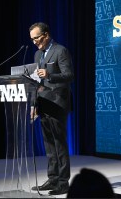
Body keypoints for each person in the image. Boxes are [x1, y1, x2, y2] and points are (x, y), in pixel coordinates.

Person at [29, 22, 74, 195]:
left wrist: (50, 75)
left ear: (46, 35)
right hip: (43, 103)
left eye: (37, 38)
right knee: (48, 145)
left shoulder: (60, 51)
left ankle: (63, 182)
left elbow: (69, 76)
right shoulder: (37, 55)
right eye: (32, 39)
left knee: (59, 144)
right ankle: (53, 178)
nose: (34, 42)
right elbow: (35, 83)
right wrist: (34, 105)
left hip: (57, 103)